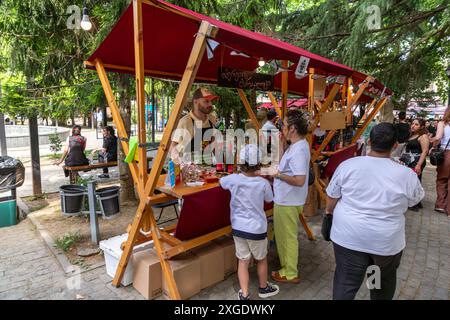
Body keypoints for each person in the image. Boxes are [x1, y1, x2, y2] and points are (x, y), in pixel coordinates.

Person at [325, 123, 424, 300]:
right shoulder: (406, 174)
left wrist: (328, 214)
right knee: (378, 282)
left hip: (349, 237)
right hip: (384, 244)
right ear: (395, 145)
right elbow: (414, 200)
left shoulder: (348, 165)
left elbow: (332, 196)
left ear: (369, 141)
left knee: (346, 282)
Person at [220, 144, 280, 300]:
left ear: (240, 163)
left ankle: (245, 294)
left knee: (243, 261)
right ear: (258, 165)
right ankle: (263, 288)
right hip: (257, 229)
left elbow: (221, 182)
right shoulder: (263, 184)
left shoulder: (232, 179)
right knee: (261, 259)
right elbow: (269, 199)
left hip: (238, 228)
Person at [269, 109, 310, 284]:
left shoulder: (299, 148)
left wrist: (277, 175)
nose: (282, 128)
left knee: (287, 237)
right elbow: (284, 164)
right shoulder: (296, 145)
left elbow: (300, 180)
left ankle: (291, 272)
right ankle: (286, 268)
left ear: (292, 128)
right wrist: (281, 146)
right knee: (283, 236)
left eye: (284, 125)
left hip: (288, 200)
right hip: (286, 199)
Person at [170, 87, 218, 164]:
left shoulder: (212, 119)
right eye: (206, 101)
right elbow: (173, 147)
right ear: (195, 102)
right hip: (189, 168)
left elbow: (214, 144)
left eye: (211, 101)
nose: (210, 104)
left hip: (208, 168)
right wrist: (181, 163)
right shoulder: (185, 122)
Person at [400, 118, 429, 211]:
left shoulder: (423, 136)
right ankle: (414, 201)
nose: (413, 125)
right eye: (412, 123)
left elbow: (425, 151)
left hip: (417, 161)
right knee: (410, 180)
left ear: (422, 127)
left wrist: (419, 165)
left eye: (416, 124)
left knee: (414, 181)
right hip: (410, 160)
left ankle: (414, 203)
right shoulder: (413, 135)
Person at [430, 108, 450, 216]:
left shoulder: (443, 123)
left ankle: (441, 205)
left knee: (442, 179)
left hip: (446, 154)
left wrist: (432, 143)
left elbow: (438, 137)